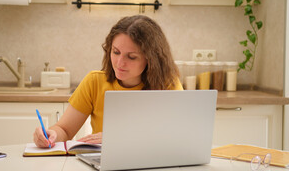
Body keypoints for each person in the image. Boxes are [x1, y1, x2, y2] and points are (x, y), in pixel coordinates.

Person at [33, 15, 183, 148]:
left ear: (151, 59)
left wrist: (117, 138)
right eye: (115, 52)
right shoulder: (95, 81)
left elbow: (177, 136)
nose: (119, 63)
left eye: (131, 57)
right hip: (101, 165)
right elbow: (65, 130)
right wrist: (51, 134)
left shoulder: (167, 84)